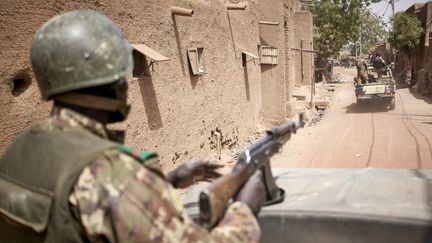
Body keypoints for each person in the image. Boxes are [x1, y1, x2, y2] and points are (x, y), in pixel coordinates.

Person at [0, 10, 266, 242]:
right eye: (121, 76)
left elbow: (79, 210)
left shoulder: (18, 151)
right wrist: (244, 210)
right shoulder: (112, 174)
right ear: (112, 84)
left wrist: (164, 182)